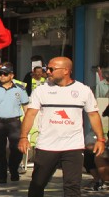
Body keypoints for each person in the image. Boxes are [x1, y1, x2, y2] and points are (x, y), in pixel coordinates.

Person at [19, 57, 105, 197]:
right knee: (37, 184)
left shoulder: (83, 90)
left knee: (72, 187)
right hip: (47, 146)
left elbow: (93, 115)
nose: (48, 72)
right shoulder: (41, 90)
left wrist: (100, 139)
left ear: (66, 71)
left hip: (73, 147)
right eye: (48, 69)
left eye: (51, 69)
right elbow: (30, 114)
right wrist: (23, 137)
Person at [0, 63, 29, 183]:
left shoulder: (20, 89)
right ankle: (1, 174)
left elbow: (26, 108)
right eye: (0, 74)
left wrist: (27, 124)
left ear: (12, 75)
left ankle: (14, 169)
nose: (2, 76)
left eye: (5, 74)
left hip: (14, 123)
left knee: (16, 149)